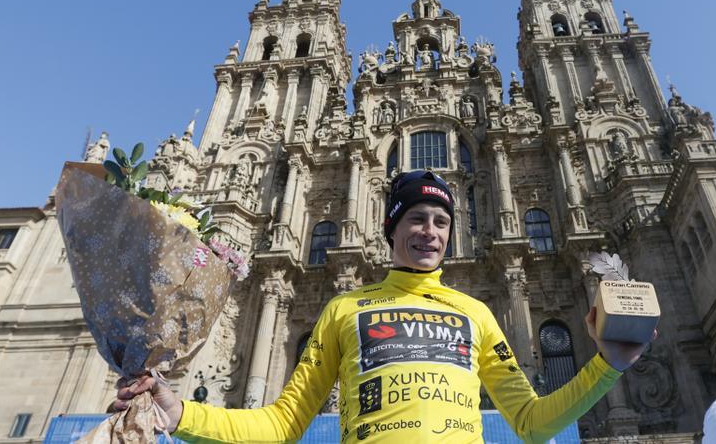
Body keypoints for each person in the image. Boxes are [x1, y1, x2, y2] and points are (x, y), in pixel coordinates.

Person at [113, 170, 655, 442]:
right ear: (392, 227)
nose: (429, 232)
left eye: (441, 221)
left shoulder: (478, 314)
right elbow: (281, 425)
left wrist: (609, 366)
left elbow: (533, 423)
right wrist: (180, 413)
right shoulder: (344, 310)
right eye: (416, 218)